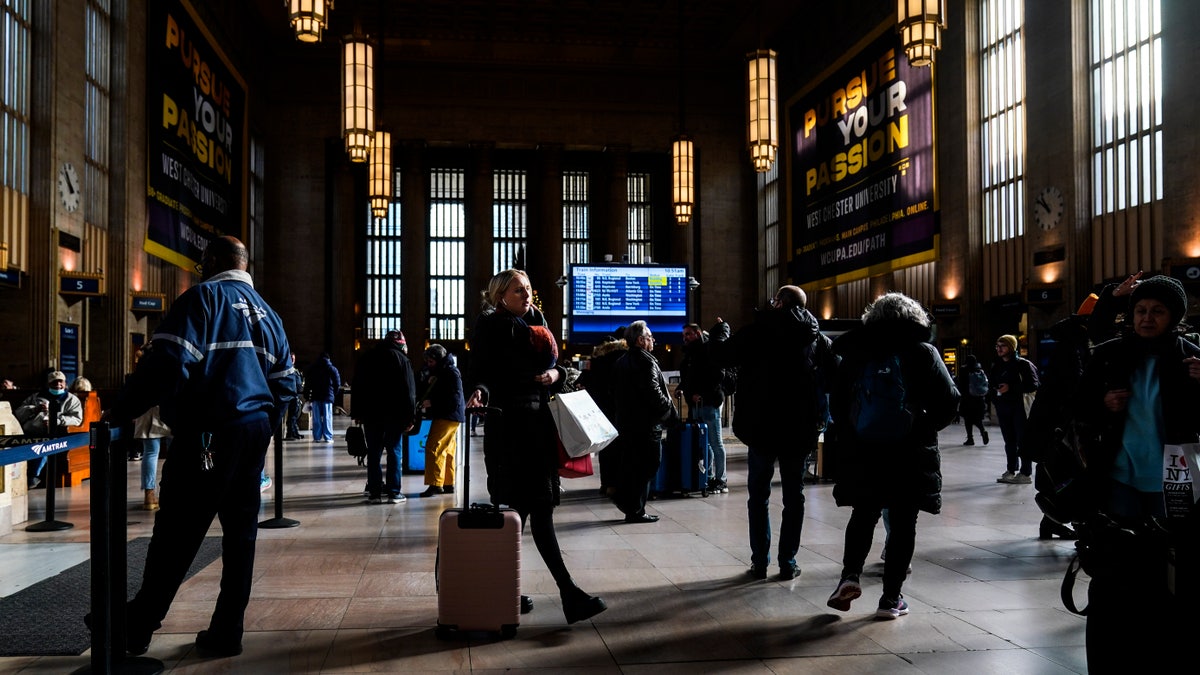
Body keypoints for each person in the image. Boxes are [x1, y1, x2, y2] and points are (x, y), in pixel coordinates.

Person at [98, 235, 298, 658]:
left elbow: (166, 363)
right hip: (253, 433)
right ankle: (227, 632)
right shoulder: (269, 313)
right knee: (241, 538)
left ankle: (137, 628)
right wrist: (262, 427)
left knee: (176, 534)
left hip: (209, 432)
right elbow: (286, 385)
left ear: (209, 261)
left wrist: (122, 411)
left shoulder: (202, 299)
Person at [465, 268, 607, 624]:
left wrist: (556, 375)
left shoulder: (538, 322)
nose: (526, 295)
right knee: (521, 516)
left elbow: (557, 366)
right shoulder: (491, 326)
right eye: (517, 291)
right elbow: (481, 369)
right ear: (501, 297)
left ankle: (532, 591)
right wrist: (480, 390)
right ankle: (561, 593)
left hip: (538, 429)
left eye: (528, 288)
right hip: (510, 430)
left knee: (532, 513)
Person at [1073, 274, 1200, 668]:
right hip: (1120, 476)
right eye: (1141, 310)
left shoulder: (1192, 357)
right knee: (1120, 565)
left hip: (1174, 480)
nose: (1147, 318)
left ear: (1174, 316)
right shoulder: (1110, 354)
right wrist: (1103, 403)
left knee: (1167, 567)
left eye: (1157, 311)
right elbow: (1079, 410)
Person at [824, 292, 959, 620]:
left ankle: (850, 577)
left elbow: (838, 403)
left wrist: (853, 432)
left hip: (864, 450)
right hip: (909, 452)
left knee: (864, 513)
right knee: (902, 523)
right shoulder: (923, 352)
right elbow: (950, 400)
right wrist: (922, 426)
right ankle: (891, 599)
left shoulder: (855, 353)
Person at [713, 285, 836, 580]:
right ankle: (788, 561)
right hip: (799, 428)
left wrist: (720, 332)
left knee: (759, 496)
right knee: (795, 496)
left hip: (761, 427)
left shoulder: (757, 331)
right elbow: (833, 376)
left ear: (779, 303)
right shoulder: (816, 338)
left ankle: (760, 561)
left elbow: (721, 356)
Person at [611, 321, 680, 523]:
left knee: (633, 465)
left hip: (626, 422)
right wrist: (667, 408)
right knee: (648, 465)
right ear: (641, 340)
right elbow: (653, 393)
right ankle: (634, 509)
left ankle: (631, 505)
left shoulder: (621, 361)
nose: (653, 339)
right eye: (650, 336)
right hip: (646, 425)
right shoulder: (646, 361)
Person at [352, 329, 417, 504]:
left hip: (371, 415)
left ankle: (374, 493)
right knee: (394, 451)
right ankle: (394, 492)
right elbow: (409, 392)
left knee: (374, 452)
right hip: (394, 415)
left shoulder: (366, 358)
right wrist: (411, 417)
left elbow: (357, 387)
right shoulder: (402, 360)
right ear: (401, 344)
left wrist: (357, 412)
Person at [680, 320, 732, 493]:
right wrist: (686, 391)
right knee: (705, 443)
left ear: (698, 333)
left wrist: (700, 393)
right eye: (684, 335)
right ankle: (707, 477)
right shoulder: (691, 353)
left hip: (709, 402)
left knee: (715, 442)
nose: (685, 338)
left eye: (688, 334)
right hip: (696, 402)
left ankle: (721, 479)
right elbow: (689, 377)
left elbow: (717, 375)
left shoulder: (707, 350)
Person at [576, 336, 627, 497]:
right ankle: (618, 483)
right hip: (619, 408)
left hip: (601, 409)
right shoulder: (622, 358)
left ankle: (606, 483)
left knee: (605, 448)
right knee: (620, 448)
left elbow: (588, 383)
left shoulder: (597, 360)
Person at [16, 370, 83, 487]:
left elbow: (76, 419)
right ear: (48, 384)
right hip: (31, 432)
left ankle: (33, 476)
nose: (58, 385)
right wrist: (33, 409)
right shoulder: (36, 397)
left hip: (56, 434)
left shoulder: (71, 399)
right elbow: (18, 413)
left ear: (65, 383)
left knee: (44, 447)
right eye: (54, 382)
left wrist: (56, 420)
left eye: (60, 382)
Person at [990, 334, 1040, 484]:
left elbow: (1034, 384)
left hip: (1020, 407)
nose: (999, 349)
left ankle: (1025, 472)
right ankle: (1011, 470)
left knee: (1022, 440)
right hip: (1003, 407)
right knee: (1009, 440)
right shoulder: (997, 365)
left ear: (1011, 347)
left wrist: (1011, 388)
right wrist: (995, 397)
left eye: (1003, 346)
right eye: (997, 346)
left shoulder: (1023, 365)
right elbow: (992, 383)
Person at [418, 344, 464, 497]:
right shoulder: (445, 371)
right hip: (452, 415)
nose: (428, 364)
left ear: (438, 359)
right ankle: (448, 482)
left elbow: (454, 398)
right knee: (448, 449)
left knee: (434, 447)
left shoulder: (449, 373)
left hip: (447, 415)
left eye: (431, 361)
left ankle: (435, 483)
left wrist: (433, 403)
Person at [132, 406, 171, 511]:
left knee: (150, 453)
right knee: (175, 454)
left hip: (148, 407)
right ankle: (173, 493)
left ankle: (149, 495)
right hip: (170, 407)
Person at [304, 352, 341, 443]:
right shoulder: (332, 369)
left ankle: (317, 437)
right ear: (328, 359)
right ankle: (328, 437)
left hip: (316, 396)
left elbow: (308, 384)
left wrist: (307, 395)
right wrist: (334, 393)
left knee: (316, 418)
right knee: (327, 417)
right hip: (328, 396)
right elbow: (337, 383)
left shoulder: (313, 369)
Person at [955, 354, 989, 446]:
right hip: (979, 399)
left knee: (967, 419)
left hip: (967, 398)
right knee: (977, 418)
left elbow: (960, 383)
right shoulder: (980, 370)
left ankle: (970, 438)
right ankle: (983, 431)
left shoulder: (964, 369)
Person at [284, 353, 304, 440]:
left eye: (293, 358)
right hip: (291, 395)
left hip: (296, 394)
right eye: (291, 358)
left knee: (295, 415)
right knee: (292, 416)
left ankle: (295, 432)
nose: (292, 360)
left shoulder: (294, 370)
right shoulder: (288, 369)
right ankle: (290, 433)